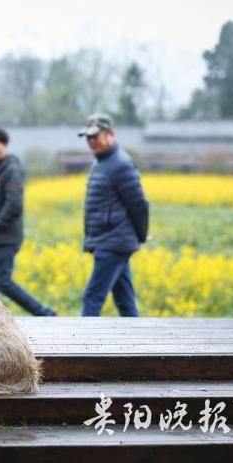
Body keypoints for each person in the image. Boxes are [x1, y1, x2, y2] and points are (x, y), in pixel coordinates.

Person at [0, 127, 57, 317]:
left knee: (2, 282)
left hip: (4, 237)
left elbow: (14, 205)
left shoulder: (11, 170)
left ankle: (44, 313)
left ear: (4, 145)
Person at [79, 114, 149, 317]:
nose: (91, 141)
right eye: (88, 137)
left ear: (111, 134)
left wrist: (140, 236)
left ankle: (82, 345)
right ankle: (137, 342)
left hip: (113, 243)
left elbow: (139, 205)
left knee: (92, 298)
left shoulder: (121, 164)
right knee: (125, 300)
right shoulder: (101, 161)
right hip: (109, 240)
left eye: (95, 136)